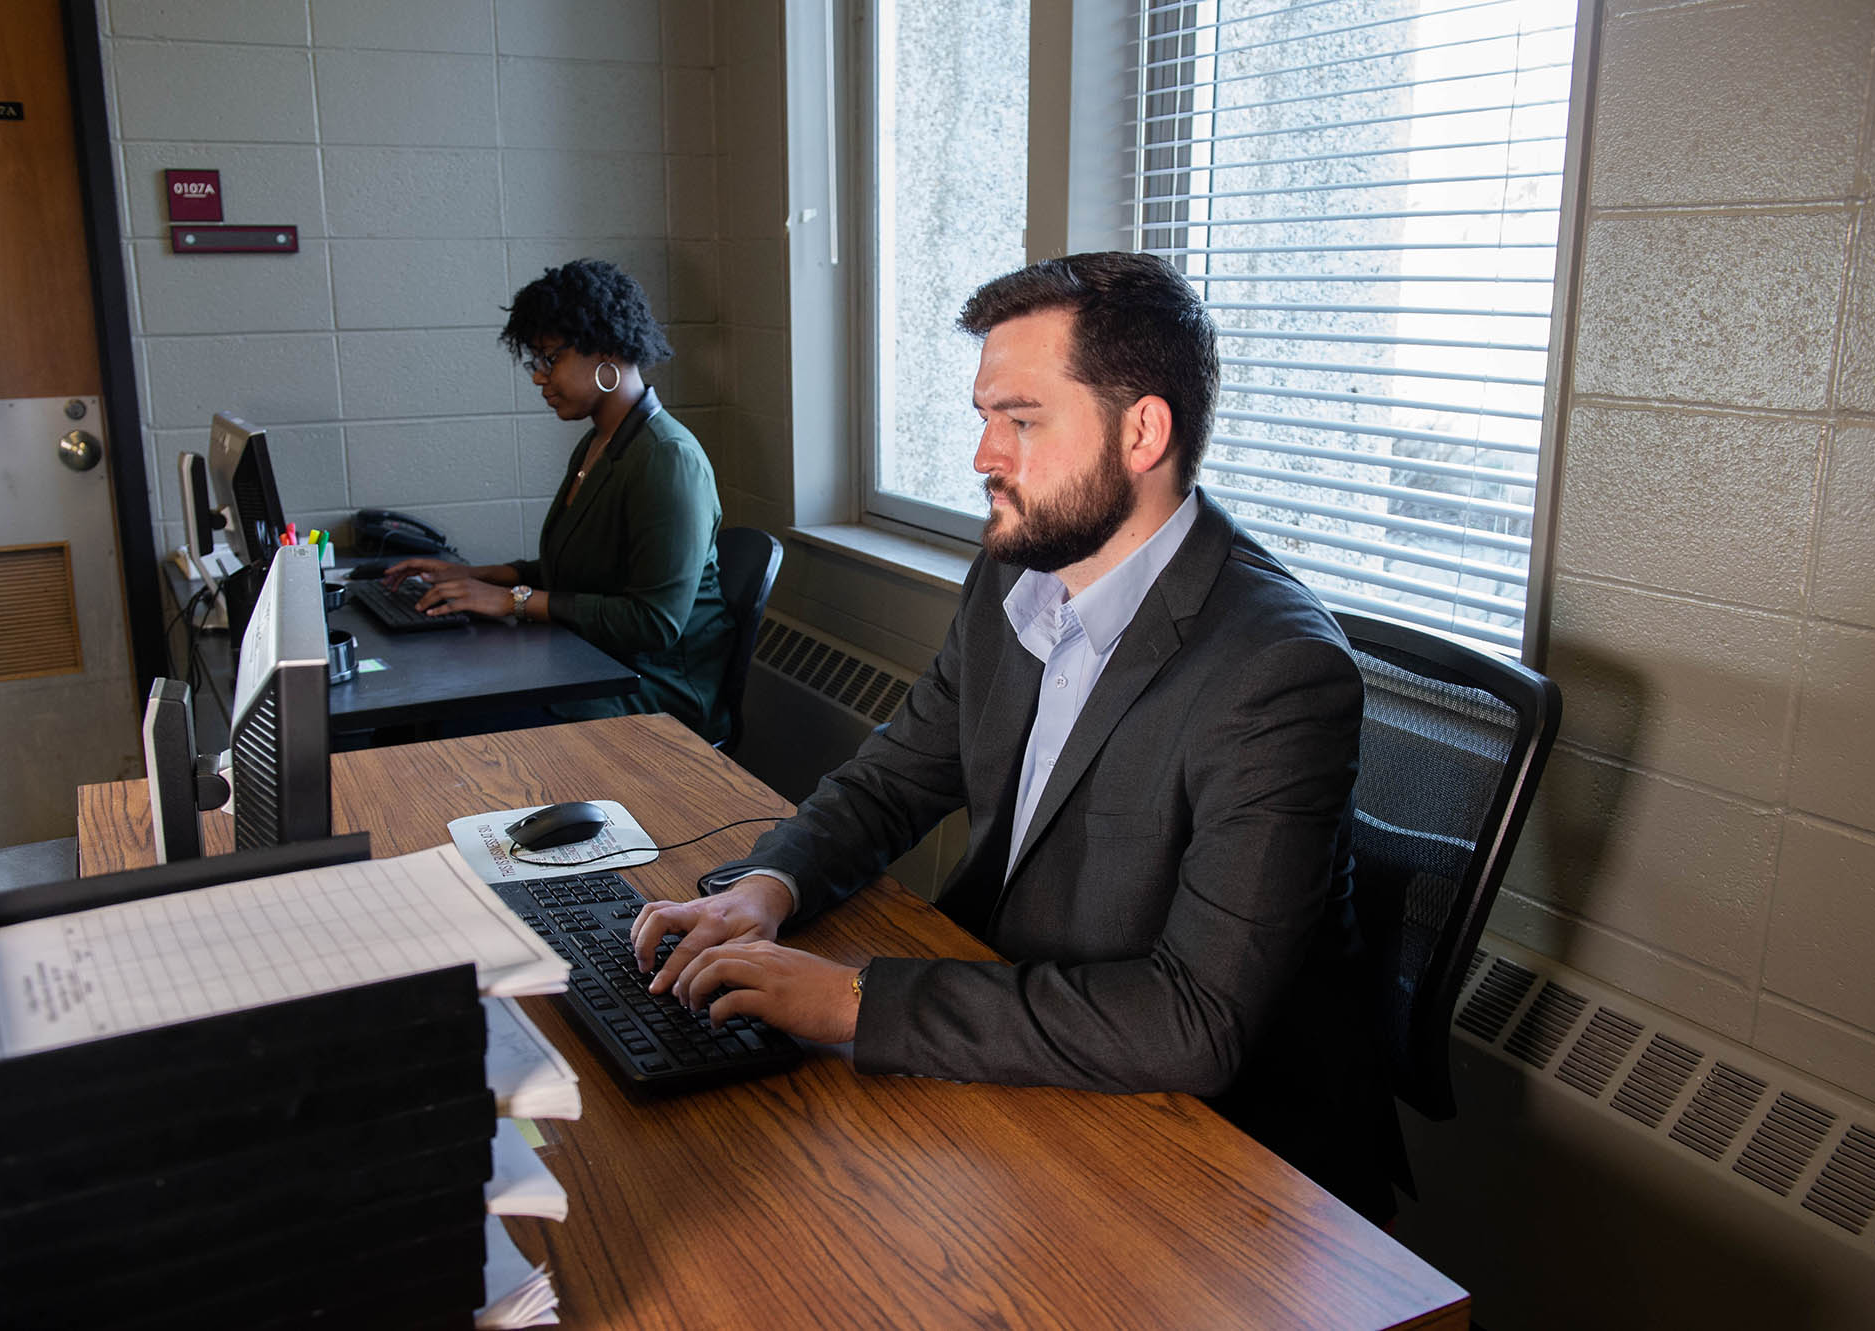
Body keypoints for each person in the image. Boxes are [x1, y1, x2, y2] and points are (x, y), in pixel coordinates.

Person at [628, 251, 1404, 1222]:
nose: (983, 457)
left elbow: (1190, 1021)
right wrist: (761, 887)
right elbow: (892, 778)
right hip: (1013, 1031)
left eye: (1022, 420)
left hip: (1208, 1155)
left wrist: (852, 1001)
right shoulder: (1017, 573)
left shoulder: (1276, 670)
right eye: (983, 417)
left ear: (1142, 432)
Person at [382, 259, 734, 742]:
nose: (538, 377)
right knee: (425, 702)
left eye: (551, 359)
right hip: (590, 664)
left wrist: (514, 600)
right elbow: (582, 569)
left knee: (445, 724)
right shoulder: (602, 442)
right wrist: (475, 575)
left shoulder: (668, 458)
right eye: (537, 361)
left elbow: (653, 622)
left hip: (652, 694)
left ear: (606, 351)